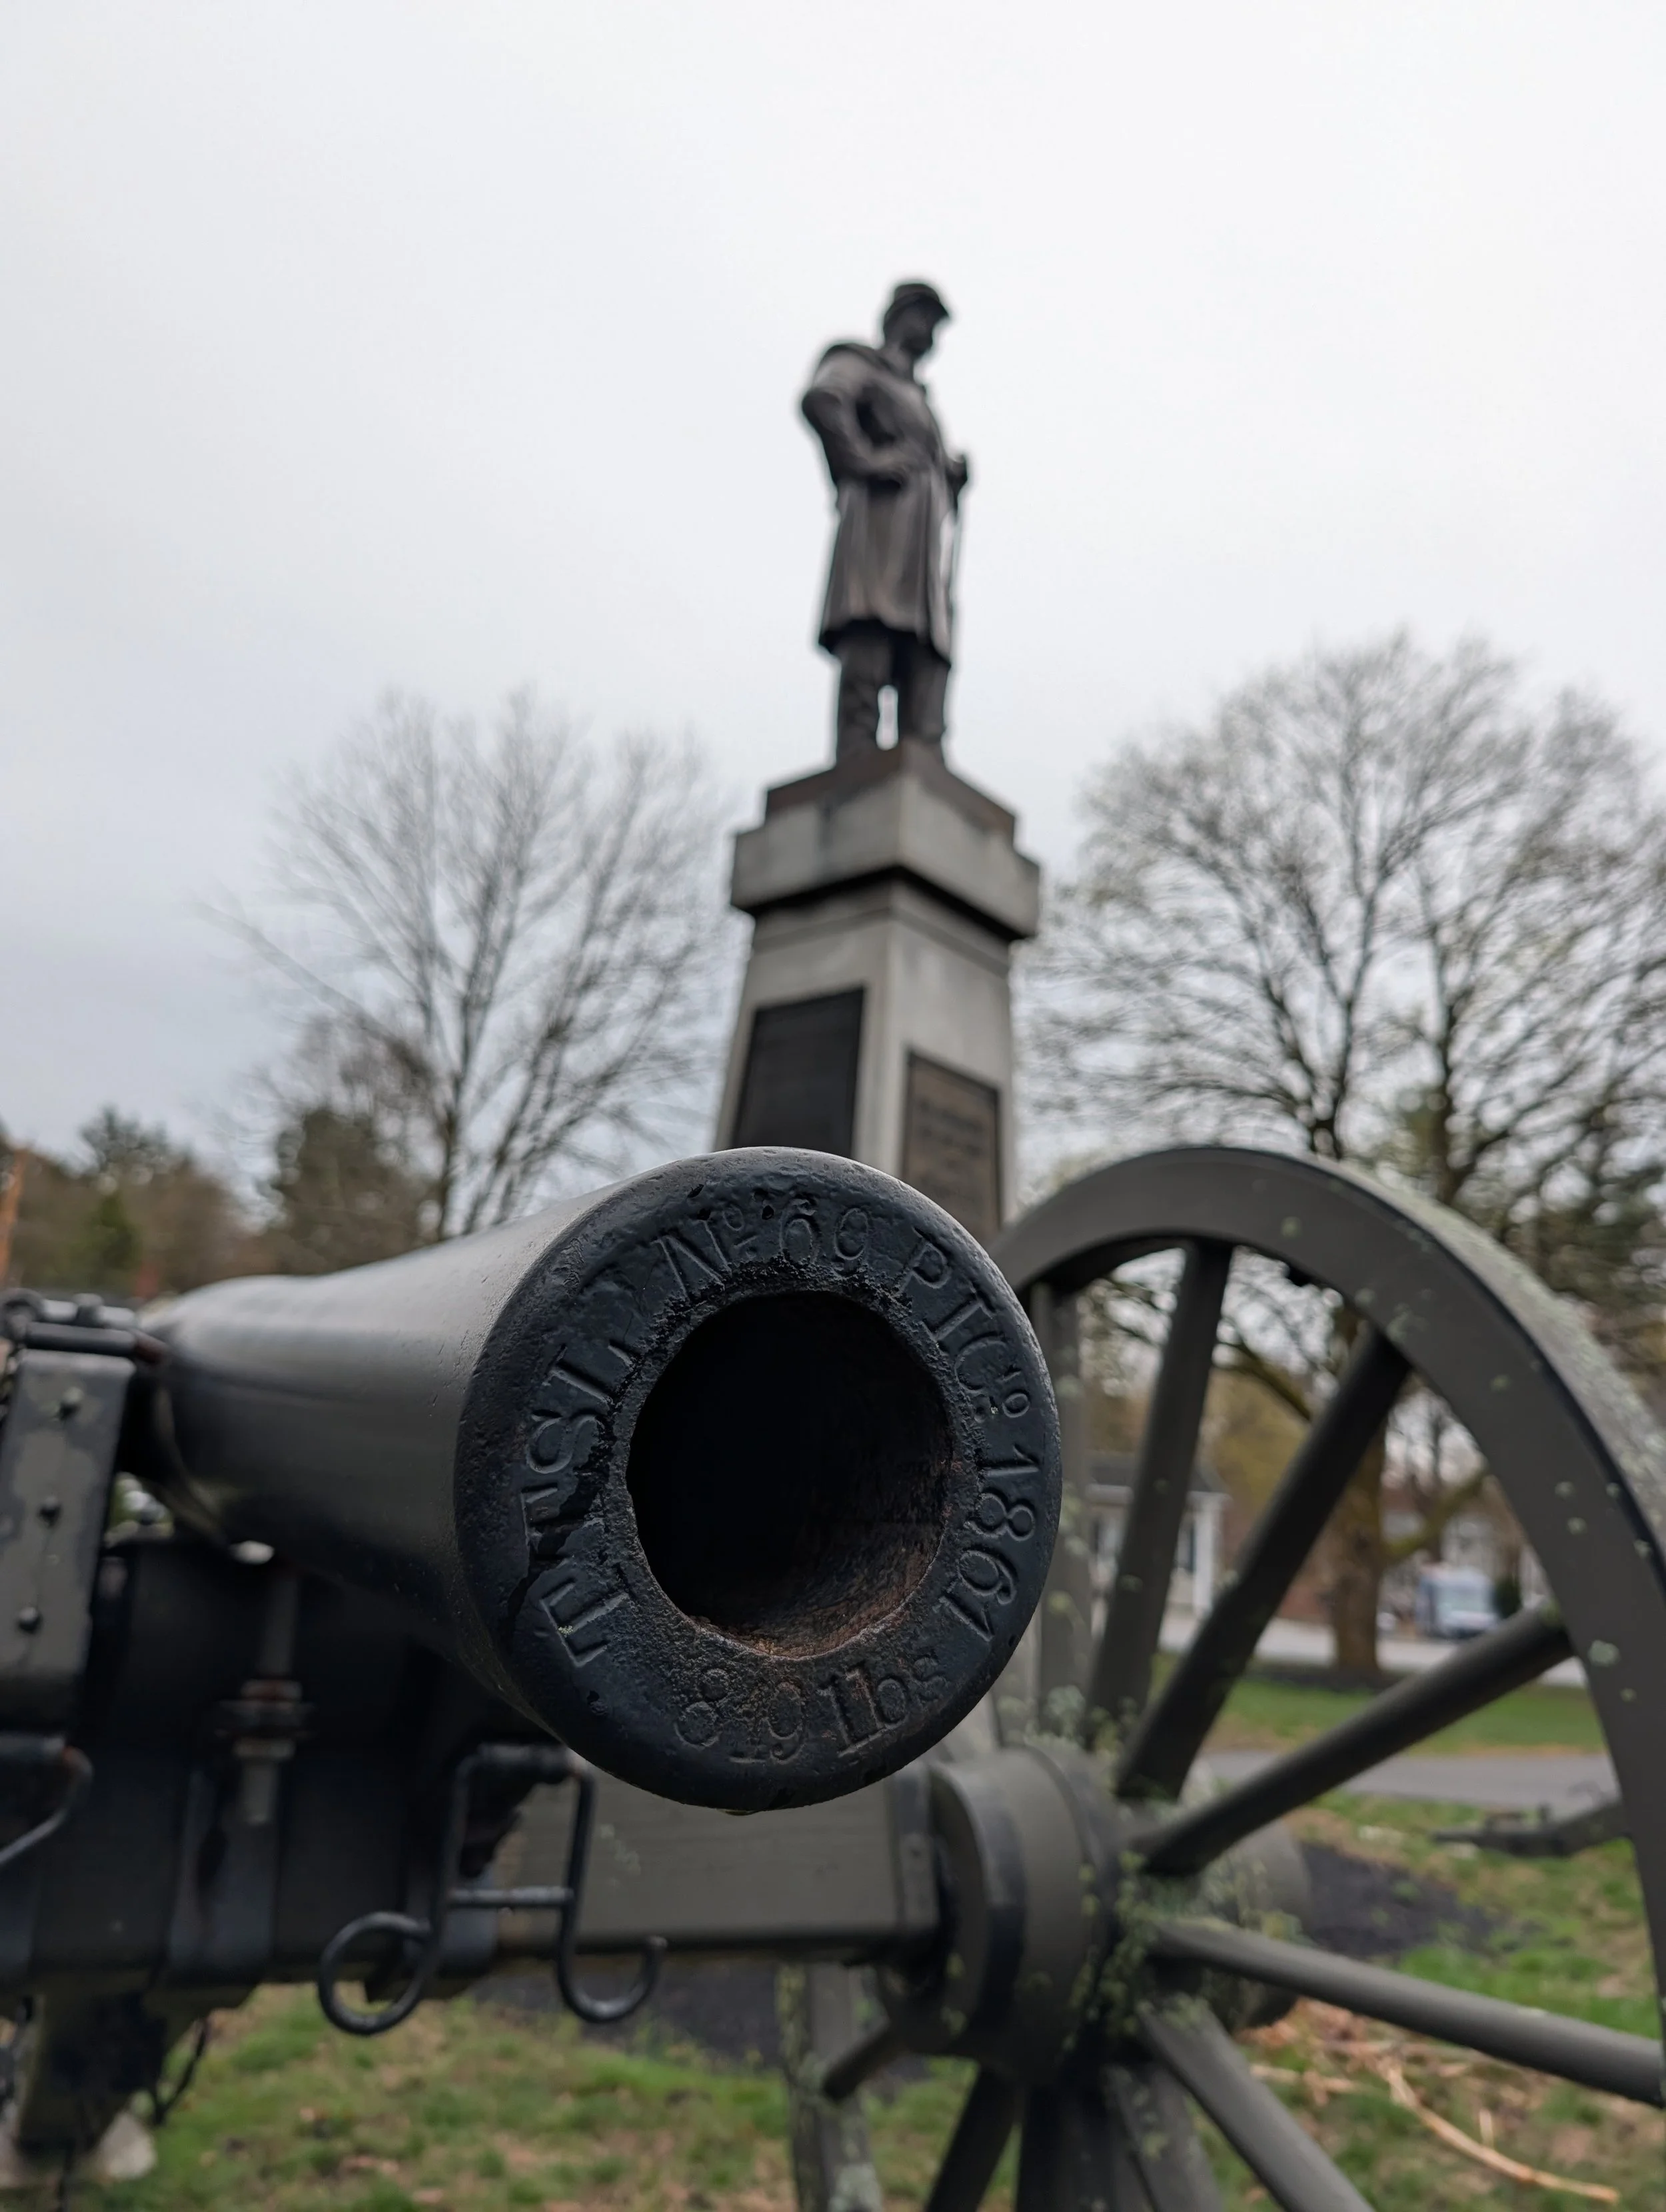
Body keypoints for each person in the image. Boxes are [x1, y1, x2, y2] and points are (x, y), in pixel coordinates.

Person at [800, 280, 970, 760]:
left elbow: (929, 458)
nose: (930, 334)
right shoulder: (860, 362)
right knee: (871, 629)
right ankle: (857, 758)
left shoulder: (920, 398)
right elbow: (824, 400)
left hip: (922, 540)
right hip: (880, 527)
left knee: (926, 648)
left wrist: (949, 474)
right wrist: (862, 461)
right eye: (924, 319)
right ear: (897, 318)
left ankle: (924, 755)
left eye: (936, 326)